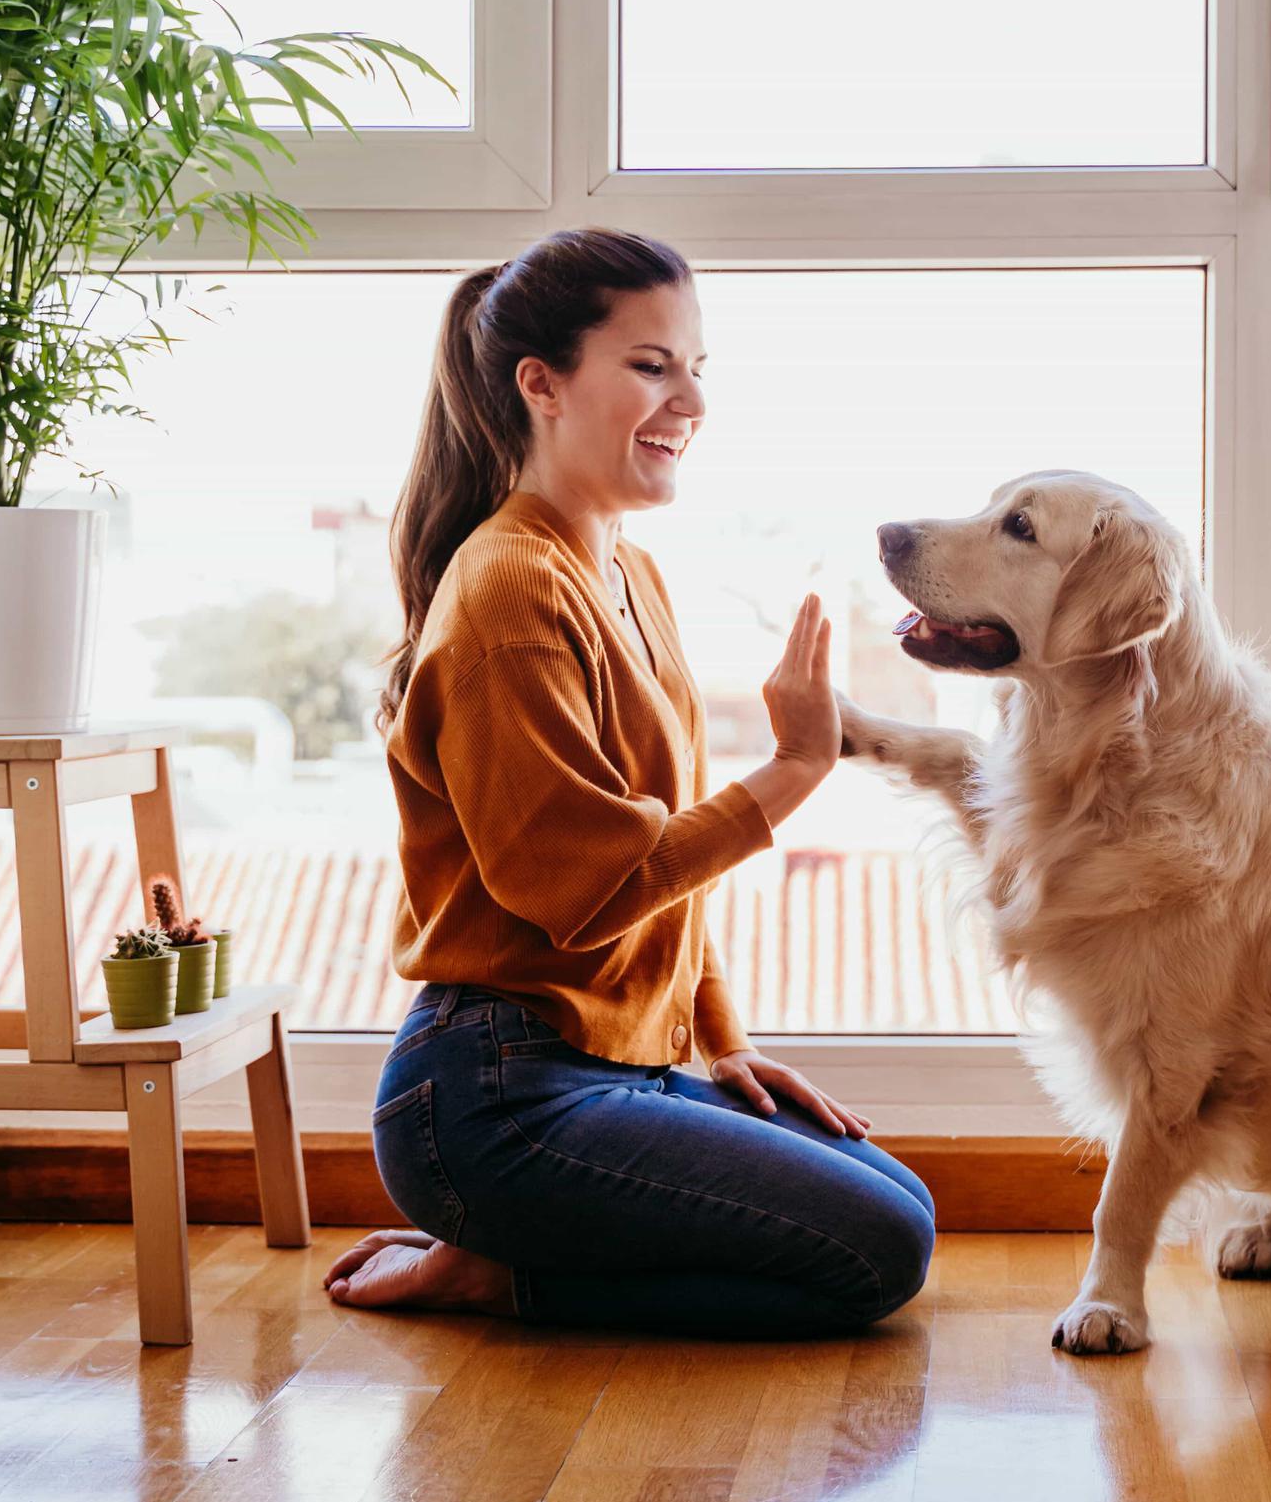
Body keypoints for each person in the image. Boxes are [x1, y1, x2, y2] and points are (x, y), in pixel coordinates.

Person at [325, 227, 935, 1336]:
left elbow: (663, 873)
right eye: (652, 365)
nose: (689, 400)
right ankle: (494, 1271)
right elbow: (589, 891)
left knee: (902, 1203)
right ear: (541, 384)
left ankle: (509, 1253)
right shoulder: (508, 593)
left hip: (616, 1062)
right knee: (877, 1252)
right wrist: (797, 766)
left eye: (698, 367)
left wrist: (721, 1037)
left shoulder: (624, 568)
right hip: (491, 1093)